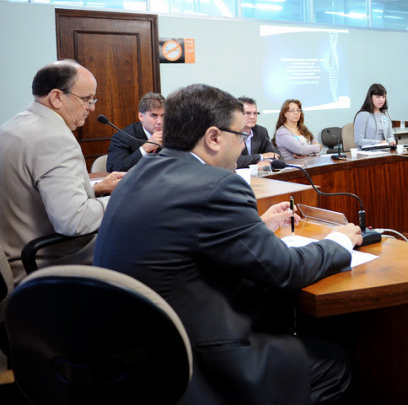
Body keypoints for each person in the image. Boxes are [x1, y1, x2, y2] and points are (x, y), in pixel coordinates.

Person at [93, 83, 362, 405]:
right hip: (196, 356)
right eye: (239, 135)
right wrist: (339, 240)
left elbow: (184, 237)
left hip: (133, 351)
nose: (242, 146)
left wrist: (254, 228)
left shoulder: (138, 173)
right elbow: (285, 270)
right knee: (333, 362)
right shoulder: (217, 185)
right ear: (214, 137)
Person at [0, 60, 123, 283]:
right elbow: (75, 222)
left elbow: (32, 188)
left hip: (12, 255)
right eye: (87, 99)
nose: (92, 107)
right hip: (45, 264)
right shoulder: (54, 138)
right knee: (136, 242)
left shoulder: (11, 127)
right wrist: (128, 196)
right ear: (57, 97)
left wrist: (96, 187)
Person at [106, 92, 166, 172]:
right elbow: (114, 168)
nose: (160, 122)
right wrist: (145, 148)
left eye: (163, 116)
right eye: (154, 115)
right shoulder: (122, 137)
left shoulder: (172, 134)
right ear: (141, 116)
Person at [235, 96, 280, 168]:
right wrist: (261, 157)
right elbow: (237, 161)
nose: (252, 117)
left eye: (255, 113)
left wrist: (268, 161)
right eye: (248, 113)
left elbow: (276, 154)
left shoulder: (260, 131)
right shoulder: (230, 133)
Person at [353, 83, 396, 148]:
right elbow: (358, 140)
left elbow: (390, 136)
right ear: (370, 98)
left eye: (383, 97)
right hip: (367, 153)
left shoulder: (385, 114)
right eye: (378, 97)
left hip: (384, 151)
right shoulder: (362, 115)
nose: (381, 100)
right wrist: (378, 143)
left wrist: (391, 141)